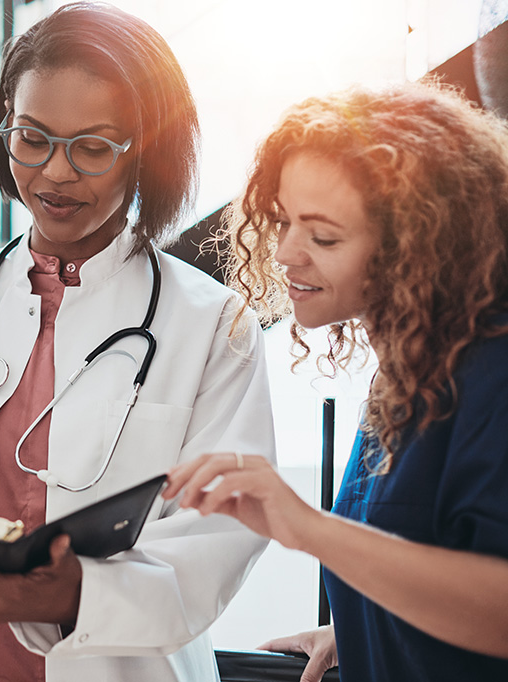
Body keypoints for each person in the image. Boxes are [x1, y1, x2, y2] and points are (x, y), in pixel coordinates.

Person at [0, 3, 275, 680]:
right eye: (32, 138)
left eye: (93, 147)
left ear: (146, 150)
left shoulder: (214, 324)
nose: (56, 173)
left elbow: (218, 539)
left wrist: (71, 594)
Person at [164, 80, 508, 682]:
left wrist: (309, 529)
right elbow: (423, 559)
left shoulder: (491, 376)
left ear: (416, 244)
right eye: (283, 221)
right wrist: (361, 624)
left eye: (323, 236)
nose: (287, 254)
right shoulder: (406, 372)